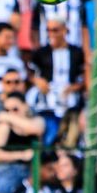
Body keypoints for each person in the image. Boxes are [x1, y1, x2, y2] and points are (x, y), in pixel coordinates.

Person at [27, 17, 85, 146]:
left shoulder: (76, 52)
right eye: (48, 30)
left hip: (70, 101)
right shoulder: (41, 53)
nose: (51, 34)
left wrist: (73, 88)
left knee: (71, 135)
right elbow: (29, 73)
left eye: (55, 30)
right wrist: (38, 81)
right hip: (47, 101)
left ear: (65, 31)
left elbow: (83, 77)